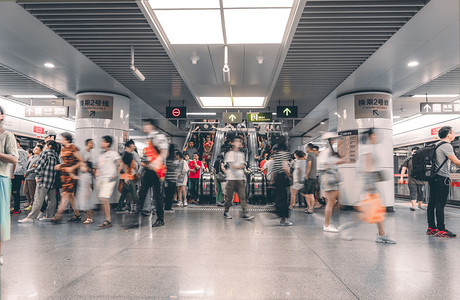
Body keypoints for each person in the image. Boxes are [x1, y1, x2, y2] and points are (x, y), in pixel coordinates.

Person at [358, 128, 396, 243]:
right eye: (375, 135)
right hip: (371, 183)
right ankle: (346, 228)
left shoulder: (369, 147)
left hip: (372, 182)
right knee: (375, 209)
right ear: (371, 136)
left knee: (377, 209)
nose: (377, 137)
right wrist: (370, 186)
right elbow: (367, 167)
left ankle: (381, 233)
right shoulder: (368, 148)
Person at [426, 126, 460, 238]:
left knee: (432, 203)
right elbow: (456, 162)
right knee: (440, 204)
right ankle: (441, 229)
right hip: (442, 178)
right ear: (448, 134)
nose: (454, 134)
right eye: (453, 132)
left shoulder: (436, 144)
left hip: (434, 178)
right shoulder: (447, 145)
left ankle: (431, 227)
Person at [18, 140, 59, 224]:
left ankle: (31, 217)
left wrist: (38, 176)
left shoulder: (45, 153)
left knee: (38, 199)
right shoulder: (55, 155)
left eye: (45, 145)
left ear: (49, 146)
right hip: (52, 181)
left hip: (43, 180)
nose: (43, 146)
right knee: (52, 200)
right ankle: (50, 216)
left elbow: (39, 167)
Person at [138, 119, 168, 227]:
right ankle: (140, 213)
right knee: (142, 192)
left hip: (157, 170)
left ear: (151, 126)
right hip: (148, 170)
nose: (144, 127)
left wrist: (156, 163)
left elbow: (164, 152)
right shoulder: (148, 138)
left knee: (157, 195)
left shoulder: (159, 137)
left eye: (146, 125)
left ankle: (160, 219)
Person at [0, 106, 19, 265]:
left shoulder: (8, 136)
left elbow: (14, 159)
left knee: (0, 218)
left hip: (1, 178)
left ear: (2, 116)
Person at [52, 132, 83, 222]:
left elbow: (81, 161)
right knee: (71, 196)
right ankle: (77, 215)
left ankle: (58, 215)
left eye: (62, 138)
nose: (61, 140)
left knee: (65, 194)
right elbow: (66, 162)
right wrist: (60, 165)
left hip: (71, 175)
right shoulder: (63, 149)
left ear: (66, 139)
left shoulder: (73, 147)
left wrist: (72, 168)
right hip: (64, 175)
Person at [223, 136, 254, 220]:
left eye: (240, 141)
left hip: (240, 178)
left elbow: (244, 165)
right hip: (231, 178)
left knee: (243, 196)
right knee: (229, 197)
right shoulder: (229, 154)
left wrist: (239, 167)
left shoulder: (242, 154)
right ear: (232, 143)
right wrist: (239, 167)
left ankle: (245, 213)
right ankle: (226, 211)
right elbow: (232, 166)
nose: (238, 143)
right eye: (236, 141)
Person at [95, 136, 122, 229]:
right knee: (102, 199)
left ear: (108, 143)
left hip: (109, 179)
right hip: (101, 179)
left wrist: (116, 174)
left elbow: (120, 163)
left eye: (103, 141)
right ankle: (106, 218)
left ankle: (108, 220)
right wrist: (97, 172)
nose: (101, 143)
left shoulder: (113, 153)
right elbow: (98, 167)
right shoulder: (100, 155)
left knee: (104, 198)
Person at [271, 137, 292, 225]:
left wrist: (272, 179)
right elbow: (284, 167)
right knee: (284, 198)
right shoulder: (285, 154)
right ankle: (284, 219)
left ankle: (279, 215)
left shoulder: (276, 155)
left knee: (278, 197)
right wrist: (289, 176)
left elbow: (274, 169)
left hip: (277, 178)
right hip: (282, 177)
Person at [399, 147, 426, 211]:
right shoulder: (408, 160)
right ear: (411, 152)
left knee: (421, 193)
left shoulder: (422, 159)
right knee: (413, 192)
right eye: (413, 151)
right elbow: (404, 169)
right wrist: (401, 178)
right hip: (411, 180)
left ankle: (419, 205)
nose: (414, 152)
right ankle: (413, 206)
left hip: (421, 180)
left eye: (416, 151)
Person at [23, 144, 43, 211]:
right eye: (34, 148)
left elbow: (35, 167)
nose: (34, 149)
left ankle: (32, 204)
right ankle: (29, 202)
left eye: (37, 149)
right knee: (25, 191)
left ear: (40, 151)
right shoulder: (32, 157)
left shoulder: (39, 158)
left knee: (32, 192)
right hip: (27, 176)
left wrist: (27, 171)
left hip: (32, 176)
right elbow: (29, 165)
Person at [10, 139, 27, 214]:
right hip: (17, 174)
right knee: (15, 191)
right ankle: (16, 207)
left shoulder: (19, 151)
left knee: (15, 191)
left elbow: (15, 163)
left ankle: (17, 208)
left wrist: (12, 173)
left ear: (18, 143)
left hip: (16, 174)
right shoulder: (21, 151)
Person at [304, 144, 318, 214]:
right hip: (314, 177)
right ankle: (311, 208)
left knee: (307, 194)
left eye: (306, 148)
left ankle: (310, 208)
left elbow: (309, 165)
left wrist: (306, 175)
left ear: (308, 148)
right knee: (311, 193)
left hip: (309, 177)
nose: (306, 149)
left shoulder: (309, 155)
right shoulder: (314, 156)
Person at [164, 146, 179, 212]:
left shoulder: (167, 159)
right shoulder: (172, 160)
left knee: (168, 195)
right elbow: (174, 167)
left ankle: (168, 207)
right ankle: (168, 208)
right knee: (170, 195)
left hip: (168, 179)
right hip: (171, 180)